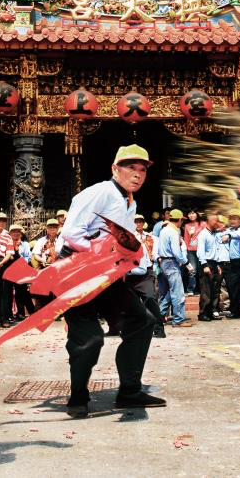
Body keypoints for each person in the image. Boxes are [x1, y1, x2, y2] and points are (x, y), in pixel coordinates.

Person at [58, 144, 164, 417]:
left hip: (106, 272)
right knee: (89, 337)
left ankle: (129, 391)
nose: (138, 175)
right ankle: (78, 397)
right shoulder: (98, 193)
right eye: (131, 168)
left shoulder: (129, 200)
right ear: (115, 169)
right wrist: (99, 252)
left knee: (142, 321)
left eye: (142, 170)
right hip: (77, 270)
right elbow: (71, 234)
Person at [131, 214, 165, 338]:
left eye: (140, 221)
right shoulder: (126, 237)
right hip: (129, 275)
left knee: (150, 299)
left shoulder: (150, 238)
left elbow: (154, 254)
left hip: (146, 271)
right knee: (130, 303)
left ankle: (158, 328)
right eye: (136, 221)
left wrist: (158, 260)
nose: (138, 224)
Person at [158, 209, 192, 327]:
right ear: (179, 220)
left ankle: (159, 315)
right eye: (182, 220)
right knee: (177, 292)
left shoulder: (164, 230)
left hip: (164, 262)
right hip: (171, 262)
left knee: (169, 291)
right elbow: (176, 252)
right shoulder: (173, 231)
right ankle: (178, 320)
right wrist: (186, 262)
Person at [196, 213, 222, 321]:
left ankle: (212, 311)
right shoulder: (203, 234)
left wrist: (219, 264)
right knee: (206, 289)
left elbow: (218, 249)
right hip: (206, 263)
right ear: (208, 221)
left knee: (215, 289)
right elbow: (200, 251)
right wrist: (204, 265)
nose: (217, 222)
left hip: (215, 262)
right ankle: (203, 313)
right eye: (214, 220)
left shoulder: (216, 234)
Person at [8, 224, 36, 320]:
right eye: (14, 231)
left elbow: (28, 257)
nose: (16, 233)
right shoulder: (7, 243)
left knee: (22, 292)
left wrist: (19, 259)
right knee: (9, 293)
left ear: (21, 233)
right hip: (9, 269)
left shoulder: (25, 244)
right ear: (10, 233)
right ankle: (14, 313)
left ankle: (25, 312)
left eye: (18, 231)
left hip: (21, 269)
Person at [182, 210, 204, 295]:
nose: (191, 215)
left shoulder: (202, 224)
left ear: (197, 214)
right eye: (189, 213)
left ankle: (202, 289)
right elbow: (186, 239)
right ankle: (191, 289)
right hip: (191, 251)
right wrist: (186, 252)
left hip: (201, 250)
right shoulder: (186, 225)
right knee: (192, 270)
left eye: (193, 213)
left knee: (201, 271)